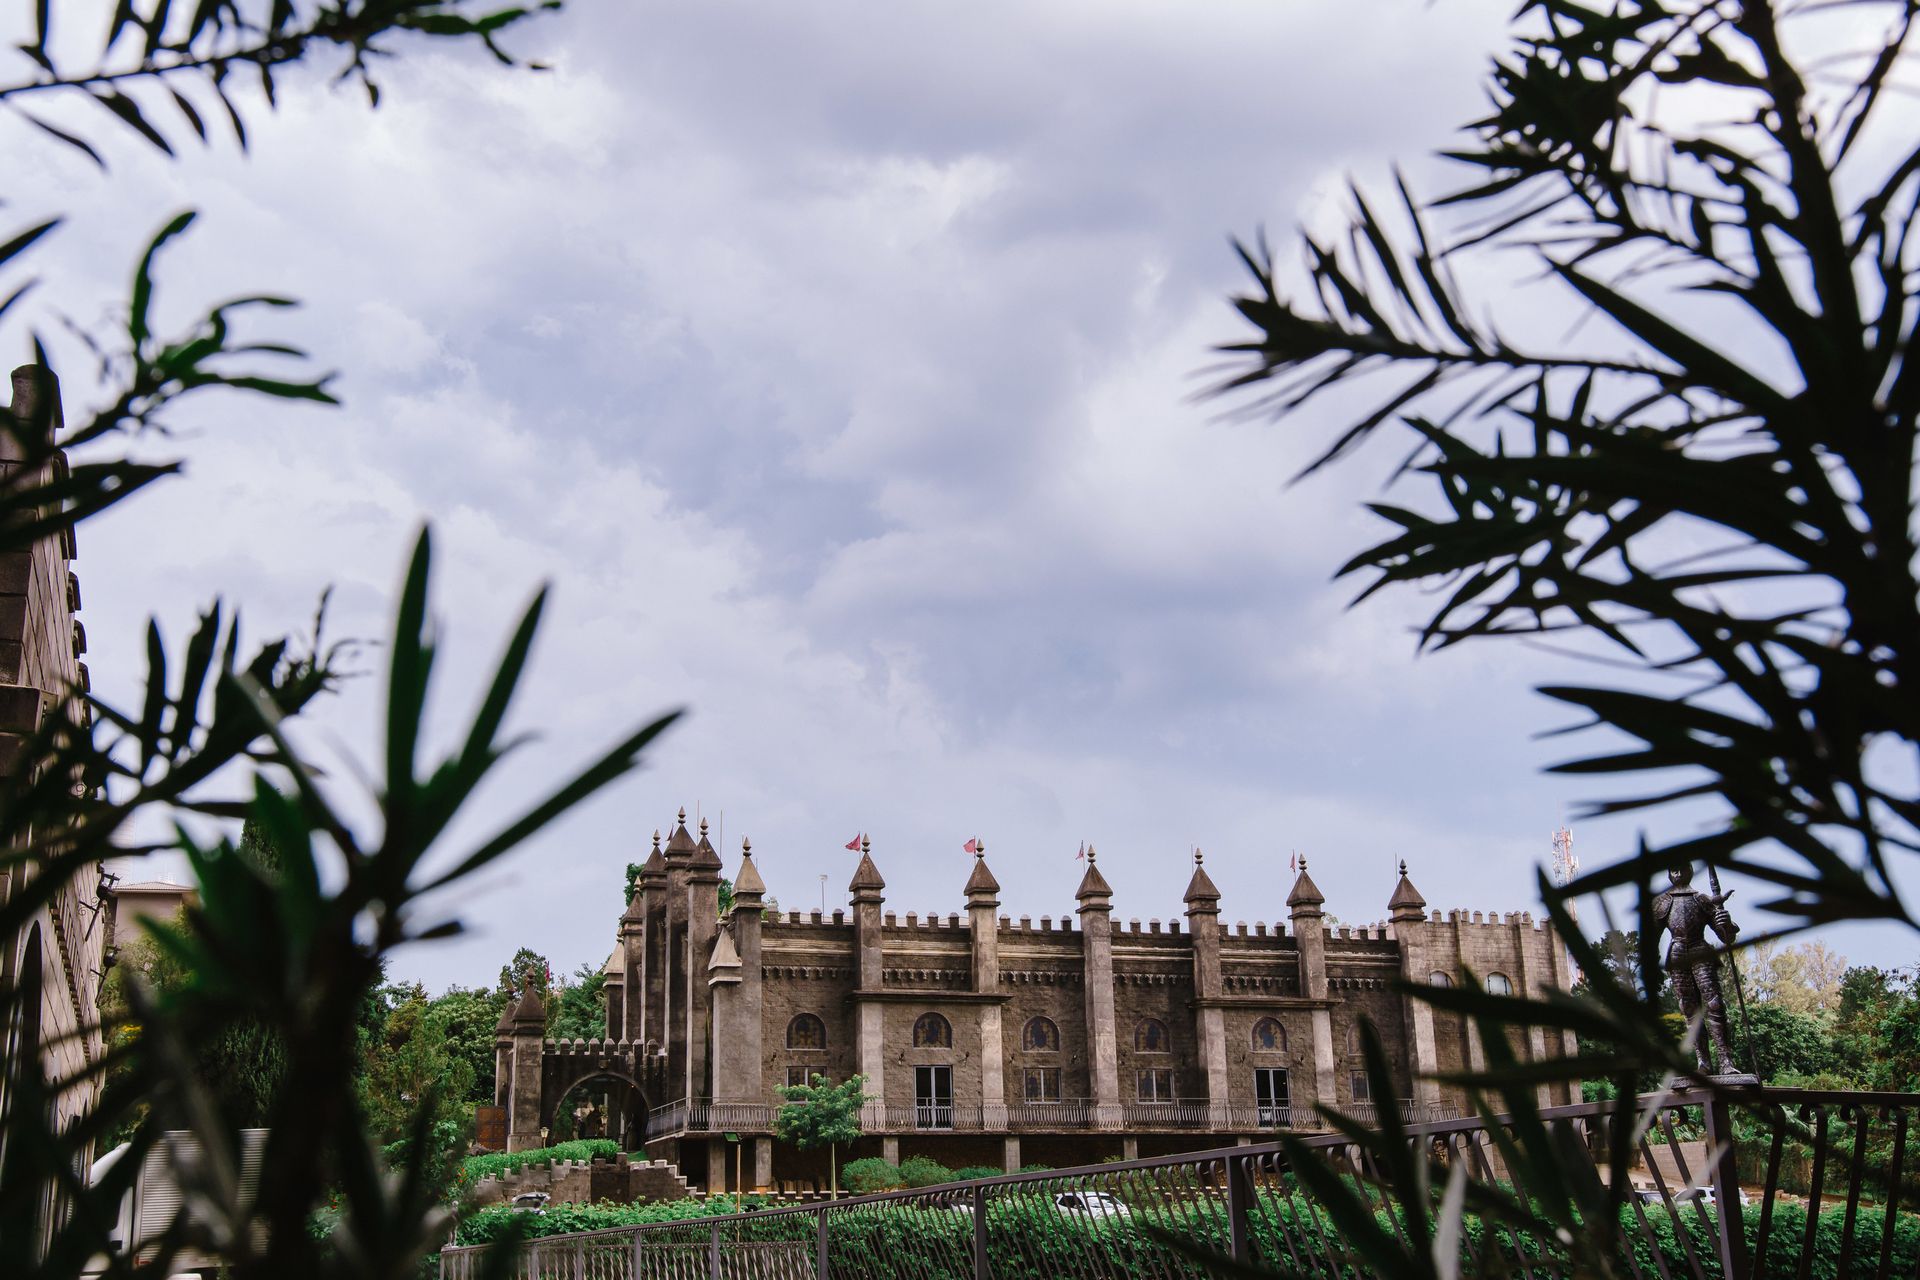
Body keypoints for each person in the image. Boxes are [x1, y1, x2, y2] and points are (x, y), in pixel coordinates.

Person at [1652, 864, 1743, 1075]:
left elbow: (1725, 936)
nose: (1677, 873)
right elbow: (1652, 939)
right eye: (1673, 869)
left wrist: (1725, 922)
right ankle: (1703, 1062)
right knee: (1689, 1008)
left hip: (1700, 949)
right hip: (1677, 954)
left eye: (1680, 868)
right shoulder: (1663, 903)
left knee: (1715, 1004)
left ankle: (1726, 1061)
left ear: (1689, 870)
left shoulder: (1701, 900)